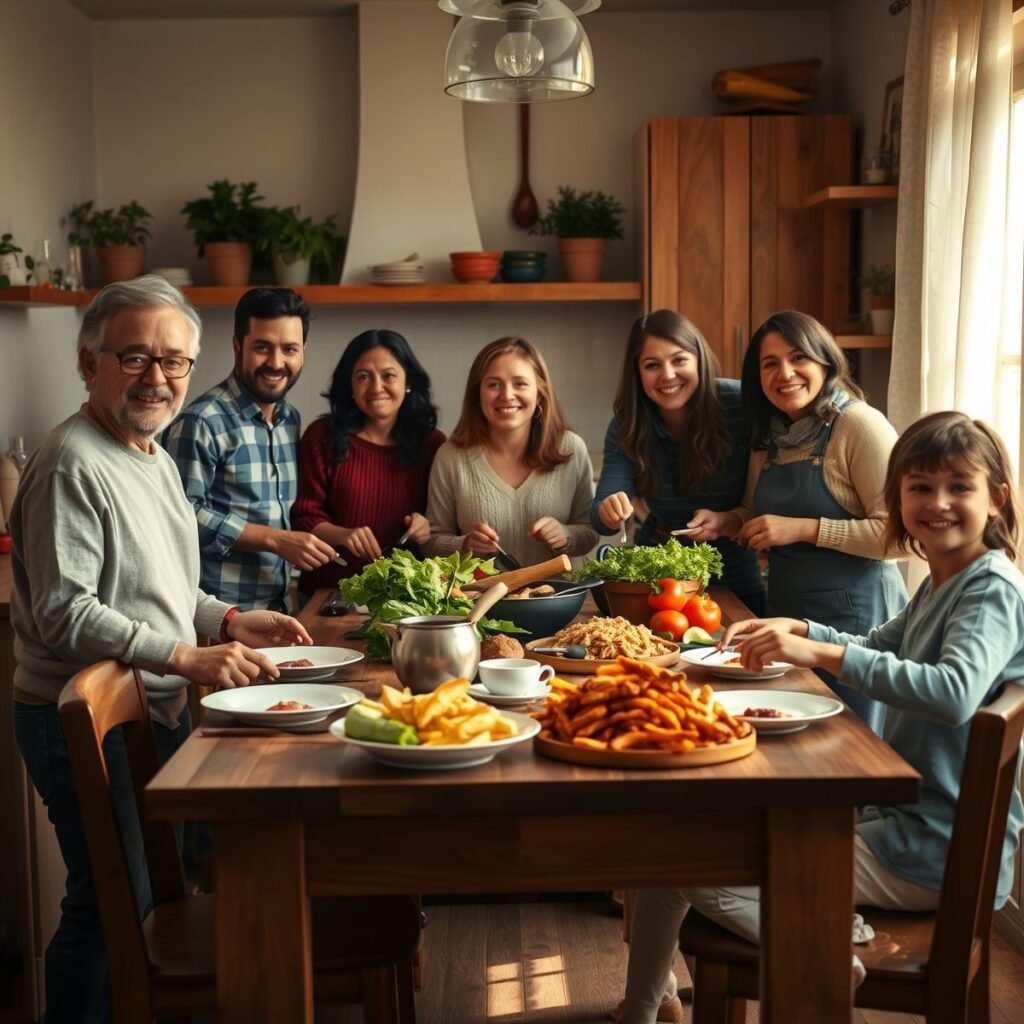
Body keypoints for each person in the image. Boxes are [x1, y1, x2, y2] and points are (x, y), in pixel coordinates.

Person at [618, 411, 1024, 1023]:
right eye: (919, 487)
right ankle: (643, 1007)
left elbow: (952, 692)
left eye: (958, 487)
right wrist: (802, 628)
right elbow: (881, 644)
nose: (937, 503)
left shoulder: (991, 589)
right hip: (904, 828)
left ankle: (828, 947)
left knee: (683, 862)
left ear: (995, 499)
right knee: (684, 836)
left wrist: (817, 652)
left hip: (930, 852)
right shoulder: (949, 578)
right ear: (898, 498)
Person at [10, 276, 313, 1024]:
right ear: (90, 363)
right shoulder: (72, 462)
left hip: (148, 705)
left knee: (143, 893)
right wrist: (184, 657)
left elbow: (163, 590)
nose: (158, 378)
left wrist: (228, 621)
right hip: (74, 717)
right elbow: (63, 613)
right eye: (135, 357)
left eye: (174, 362)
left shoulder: (148, 454)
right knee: (112, 901)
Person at [689, 310, 906, 732]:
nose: (785, 373)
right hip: (789, 616)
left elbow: (898, 536)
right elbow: (753, 513)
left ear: (825, 362)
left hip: (860, 624)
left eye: (798, 358)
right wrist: (725, 521)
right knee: (800, 741)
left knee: (854, 747)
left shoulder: (860, 425)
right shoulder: (769, 435)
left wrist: (805, 528)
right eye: (770, 364)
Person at [162, 287, 334, 611]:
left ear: (304, 351)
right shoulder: (201, 421)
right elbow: (178, 518)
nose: (276, 362)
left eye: (290, 349)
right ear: (237, 346)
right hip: (216, 623)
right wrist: (274, 539)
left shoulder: (290, 419)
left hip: (279, 610)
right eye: (262, 347)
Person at [592, 310, 765, 614]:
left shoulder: (741, 405)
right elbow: (601, 511)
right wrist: (609, 509)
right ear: (637, 373)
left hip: (734, 574)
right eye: (652, 365)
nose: (668, 374)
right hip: (659, 582)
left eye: (679, 360)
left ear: (699, 359)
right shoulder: (627, 425)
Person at [291, 329, 445, 596]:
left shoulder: (432, 443)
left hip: (406, 594)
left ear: (408, 382)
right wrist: (343, 535)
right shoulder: (321, 436)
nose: (376, 387)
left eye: (388, 375)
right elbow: (304, 516)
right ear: (349, 385)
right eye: (364, 377)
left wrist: (425, 524)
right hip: (329, 594)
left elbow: (444, 521)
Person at [424, 336, 598, 566]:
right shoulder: (451, 457)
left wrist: (566, 535)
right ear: (478, 394)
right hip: (480, 600)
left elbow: (591, 531)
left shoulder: (571, 449)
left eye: (520, 383)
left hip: (557, 598)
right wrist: (464, 545)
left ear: (540, 392)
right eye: (494, 384)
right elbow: (430, 543)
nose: (506, 395)